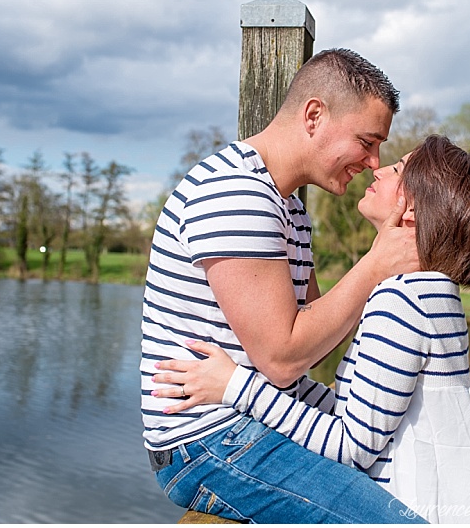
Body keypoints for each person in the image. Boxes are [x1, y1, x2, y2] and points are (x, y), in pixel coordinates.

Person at [155, 135, 470, 524]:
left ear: (413, 211)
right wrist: (254, 381)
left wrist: (237, 387)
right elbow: (357, 409)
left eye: (399, 170)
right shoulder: (436, 296)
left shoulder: (401, 302)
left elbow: (352, 446)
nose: (380, 167)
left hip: (414, 505)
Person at [141, 48, 426, 523]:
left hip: (253, 421)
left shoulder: (286, 205)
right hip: (207, 441)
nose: (374, 161)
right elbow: (283, 356)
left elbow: (314, 339)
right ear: (314, 115)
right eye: (367, 141)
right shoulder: (237, 193)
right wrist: (377, 263)